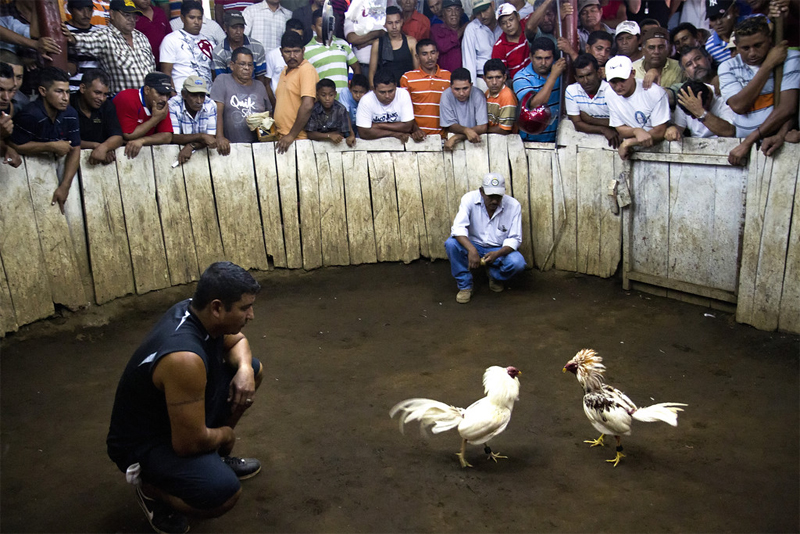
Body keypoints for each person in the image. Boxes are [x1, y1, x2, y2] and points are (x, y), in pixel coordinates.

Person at [106, 261, 263, 534]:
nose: (251, 315)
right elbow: (188, 443)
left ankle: (211, 458)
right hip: (145, 441)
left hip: (174, 418)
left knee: (254, 371)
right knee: (223, 494)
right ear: (217, 307)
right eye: (244, 308)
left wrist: (245, 369)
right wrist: (226, 435)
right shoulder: (184, 359)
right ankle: (152, 490)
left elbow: (238, 342)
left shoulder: (195, 310)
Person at [720, 16, 799, 165]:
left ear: (769, 39)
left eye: (758, 45)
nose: (752, 53)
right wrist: (768, 65)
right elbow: (739, 106)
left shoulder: (789, 59)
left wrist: (749, 141)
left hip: (777, 144)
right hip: (742, 147)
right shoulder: (727, 67)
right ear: (736, 45)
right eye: (745, 48)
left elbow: (788, 108)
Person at [445, 172, 526, 304]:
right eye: (490, 196)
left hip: (498, 248)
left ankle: (494, 275)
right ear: (481, 191)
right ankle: (465, 285)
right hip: (474, 244)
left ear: (503, 193)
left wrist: (497, 253)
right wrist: (472, 250)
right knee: (451, 244)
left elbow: (515, 238)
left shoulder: (513, 205)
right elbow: (458, 228)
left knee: (517, 263)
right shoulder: (469, 199)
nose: (494, 200)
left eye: (498, 196)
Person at [9, 67, 80, 214]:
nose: (65, 97)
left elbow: (75, 149)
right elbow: (15, 144)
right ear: (43, 91)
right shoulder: (30, 115)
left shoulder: (71, 113)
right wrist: (51, 146)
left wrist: (65, 186)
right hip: (25, 175)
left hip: (55, 175)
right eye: (59, 91)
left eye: (67, 92)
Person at [63, 0, 157, 94]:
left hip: (147, 100)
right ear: (112, 14)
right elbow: (86, 41)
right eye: (126, 15)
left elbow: (152, 69)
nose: (131, 19)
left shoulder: (141, 37)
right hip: (122, 101)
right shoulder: (105, 36)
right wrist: (72, 38)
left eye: (134, 16)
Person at [604, 54, 670, 160]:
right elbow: (620, 128)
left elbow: (660, 131)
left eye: (622, 80)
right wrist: (636, 131)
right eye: (613, 82)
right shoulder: (609, 93)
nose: (618, 86)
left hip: (664, 151)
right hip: (636, 153)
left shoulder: (654, 92)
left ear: (633, 73)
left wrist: (629, 142)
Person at [210, 46, 270, 148]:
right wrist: (219, 137)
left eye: (250, 65)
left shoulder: (259, 86)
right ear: (232, 65)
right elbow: (216, 111)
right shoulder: (222, 80)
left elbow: (268, 114)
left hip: (257, 146)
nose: (247, 68)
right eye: (242, 64)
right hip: (230, 145)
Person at [513, 36, 565, 143]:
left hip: (559, 137)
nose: (543, 63)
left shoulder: (560, 70)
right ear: (531, 57)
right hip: (531, 140)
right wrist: (553, 76)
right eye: (539, 58)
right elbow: (534, 104)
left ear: (553, 58)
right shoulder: (521, 77)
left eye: (547, 58)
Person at [274, 31, 319, 153]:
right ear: (281, 52)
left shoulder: (306, 70)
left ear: (303, 51)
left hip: (299, 140)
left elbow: (308, 105)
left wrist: (291, 135)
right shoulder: (284, 71)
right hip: (283, 138)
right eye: (287, 52)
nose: (292, 56)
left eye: (296, 51)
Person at [113, 71, 174, 159]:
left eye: (167, 95)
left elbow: (167, 136)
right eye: (160, 93)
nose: (164, 99)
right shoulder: (128, 98)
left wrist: (142, 140)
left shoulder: (161, 103)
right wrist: (155, 119)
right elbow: (128, 135)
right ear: (147, 90)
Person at [70, 69, 125, 164]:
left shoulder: (107, 106)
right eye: (97, 93)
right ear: (83, 88)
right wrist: (96, 146)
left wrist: (105, 147)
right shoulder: (68, 104)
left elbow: (118, 137)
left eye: (105, 94)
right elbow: (66, 141)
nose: (102, 98)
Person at [565, 53, 619, 148]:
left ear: (598, 73)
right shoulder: (571, 91)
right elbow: (578, 124)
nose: (586, 81)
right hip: (584, 145)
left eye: (589, 75)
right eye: (581, 77)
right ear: (576, 78)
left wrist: (590, 120)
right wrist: (604, 129)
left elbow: (620, 122)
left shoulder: (611, 90)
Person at [399, 39, 451, 137]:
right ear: (417, 57)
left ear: (438, 54)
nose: (430, 57)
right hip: (417, 136)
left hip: (444, 136)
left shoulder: (448, 77)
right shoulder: (407, 78)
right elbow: (405, 109)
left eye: (433, 52)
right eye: (424, 54)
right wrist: (416, 130)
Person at [356, 68, 425, 142]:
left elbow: (408, 126)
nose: (387, 96)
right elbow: (364, 133)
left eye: (391, 91)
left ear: (395, 86)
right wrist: (394, 134)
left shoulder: (403, 94)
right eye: (382, 92)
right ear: (374, 89)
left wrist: (378, 125)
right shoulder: (366, 100)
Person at [304, 8, 360, 97]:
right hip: (322, 102)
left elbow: (356, 67)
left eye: (329, 24)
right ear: (313, 28)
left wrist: (353, 88)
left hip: (343, 102)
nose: (326, 28)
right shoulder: (306, 50)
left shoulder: (343, 44)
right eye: (322, 25)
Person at [160, 1, 215, 90]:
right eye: (192, 18)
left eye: (199, 18)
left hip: (206, 97)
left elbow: (213, 73)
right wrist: (174, 97)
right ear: (182, 18)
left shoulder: (209, 43)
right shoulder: (171, 40)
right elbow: (166, 73)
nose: (196, 22)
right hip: (181, 95)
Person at [169, 75, 221, 164]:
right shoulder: (173, 105)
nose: (199, 101)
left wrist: (191, 145)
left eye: (202, 96)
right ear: (184, 94)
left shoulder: (210, 105)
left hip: (202, 157)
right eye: (194, 95)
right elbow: (173, 137)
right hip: (172, 154)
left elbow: (210, 139)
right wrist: (201, 136)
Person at [212, 11, 267, 88]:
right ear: (225, 27)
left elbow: (260, 78)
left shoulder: (257, 47)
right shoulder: (219, 52)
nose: (238, 31)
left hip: (253, 90)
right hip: (229, 91)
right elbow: (222, 81)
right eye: (234, 27)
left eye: (241, 27)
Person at [664, 79, 735, 140]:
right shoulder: (685, 98)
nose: (693, 117)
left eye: (694, 114)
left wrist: (701, 113)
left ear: (709, 98)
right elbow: (679, 128)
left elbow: (729, 132)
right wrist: (673, 129)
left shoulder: (722, 96)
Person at [369, 6, 418, 88]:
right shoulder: (377, 43)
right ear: (384, 24)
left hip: (406, 89)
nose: (394, 27)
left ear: (402, 22)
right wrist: (373, 90)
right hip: (385, 91)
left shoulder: (411, 42)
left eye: (397, 22)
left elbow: (416, 71)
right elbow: (372, 72)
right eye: (390, 23)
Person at [440, 67, 488, 150]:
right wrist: (466, 131)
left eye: (465, 88)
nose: (461, 93)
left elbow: (483, 127)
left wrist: (456, 137)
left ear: (471, 85)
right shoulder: (446, 95)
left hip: (478, 143)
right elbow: (450, 125)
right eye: (457, 89)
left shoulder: (478, 95)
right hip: (455, 147)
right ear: (451, 86)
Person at [264, 18, 305, 108]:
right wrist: (275, 105)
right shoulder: (272, 55)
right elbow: (267, 82)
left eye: (299, 36)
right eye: (292, 35)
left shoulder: (304, 59)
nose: (295, 39)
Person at [461, 0, 501, 90]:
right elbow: (469, 63)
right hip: (482, 80)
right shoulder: (472, 29)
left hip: (503, 78)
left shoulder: (503, 23)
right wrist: (473, 90)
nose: (482, 16)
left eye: (485, 10)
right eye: (478, 13)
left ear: (492, 5)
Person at [633, 26, 686, 94]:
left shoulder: (680, 68)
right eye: (651, 47)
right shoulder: (632, 69)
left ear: (669, 49)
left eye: (661, 47)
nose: (656, 51)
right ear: (643, 50)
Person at [304, 78, 356, 146]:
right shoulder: (314, 109)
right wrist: (329, 136)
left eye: (331, 95)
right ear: (317, 95)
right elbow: (310, 134)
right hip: (315, 146)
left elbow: (343, 132)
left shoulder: (341, 109)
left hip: (336, 146)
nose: (327, 98)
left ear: (335, 94)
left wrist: (335, 136)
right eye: (323, 95)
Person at [65, 0, 101, 93]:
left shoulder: (99, 32)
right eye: (80, 9)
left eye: (89, 9)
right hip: (72, 89)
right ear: (70, 9)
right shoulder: (63, 31)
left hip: (96, 90)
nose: (86, 14)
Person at [491, 4, 530, 80]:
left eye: (511, 19)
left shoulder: (527, 24)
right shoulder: (499, 47)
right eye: (503, 23)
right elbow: (499, 75)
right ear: (500, 26)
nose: (508, 25)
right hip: (520, 83)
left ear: (518, 17)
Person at [344, 11, 385, 75]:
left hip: (384, 66)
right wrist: (378, 33)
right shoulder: (352, 15)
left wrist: (366, 42)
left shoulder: (382, 12)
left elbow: (387, 35)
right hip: (362, 67)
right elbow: (352, 38)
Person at [483, 58, 517, 134]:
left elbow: (504, 129)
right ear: (484, 78)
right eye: (490, 78)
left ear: (504, 78)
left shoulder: (507, 96)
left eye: (498, 77)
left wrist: (481, 130)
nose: (494, 82)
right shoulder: (487, 93)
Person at [430, 0, 464, 73]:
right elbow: (442, 46)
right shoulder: (436, 29)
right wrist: (462, 29)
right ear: (443, 13)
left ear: (462, 12)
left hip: (464, 79)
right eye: (449, 10)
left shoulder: (469, 31)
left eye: (457, 9)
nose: (453, 14)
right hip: (443, 78)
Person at [134, 0, 171, 65]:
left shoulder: (159, 12)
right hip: (144, 63)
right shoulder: (131, 17)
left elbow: (170, 36)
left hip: (165, 61)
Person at [0, 62, 21, 167]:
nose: (6, 97)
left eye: (11, 90)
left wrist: (7, 149)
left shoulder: (8, 108)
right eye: (0, 90)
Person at [705, 0, 737, 65]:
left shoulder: (752, 27)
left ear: (736, 11)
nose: (719, 22)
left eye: (723, 15)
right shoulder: (710, 47)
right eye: (713, 18)